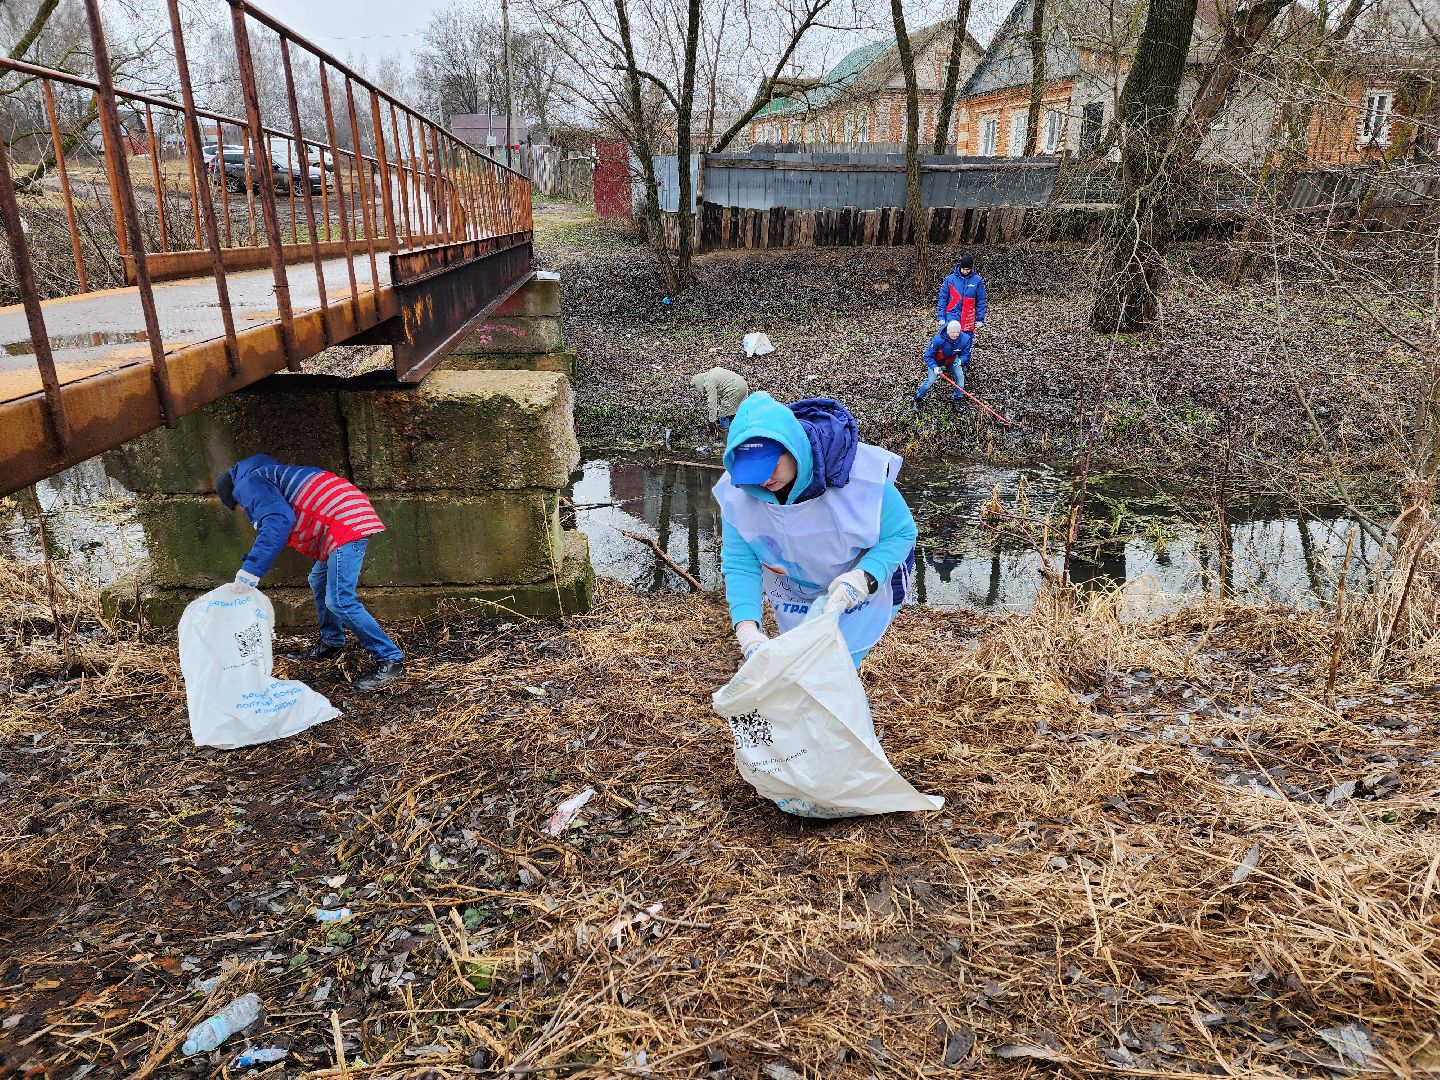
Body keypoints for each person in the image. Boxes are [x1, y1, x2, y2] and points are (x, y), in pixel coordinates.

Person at [714, 393, 917, 668]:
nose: (763, 479)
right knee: (804, 662)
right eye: (752, 471)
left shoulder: (859, 478)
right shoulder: (738, 493)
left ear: (793, 448)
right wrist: (748, 630)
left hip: (865, 578)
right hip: (799, 585)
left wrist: (864, 577)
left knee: (836, 665)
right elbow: (741, 563)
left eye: (771, 465)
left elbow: (902, 534)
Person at [215, 454, 405, 691]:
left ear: (235, 497)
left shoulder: (247, 485)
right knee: (317, 579)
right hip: (344, 515)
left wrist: (250, 572)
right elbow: (281, 520)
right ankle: (332, 642)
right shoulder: (266, 474)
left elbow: (277, 521)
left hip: (344, 522)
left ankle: (391, 659)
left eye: (240, 508)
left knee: (340, 600)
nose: (245, 510)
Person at [914, 319, 970, 415]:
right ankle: (918, 399)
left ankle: (957, 397)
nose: (955, 334)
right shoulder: (938, 339)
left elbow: (966, 354)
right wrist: (934, 367)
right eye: (953, 332)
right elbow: (927, 356)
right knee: (930, 381)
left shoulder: (965, 339)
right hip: (937, 362)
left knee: (960, 381)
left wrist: (961, 360)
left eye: (957, 332)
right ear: (948, 332)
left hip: (952, 361)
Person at [691, 366, 750, 432]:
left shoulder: (709, 382)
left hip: (734, 390)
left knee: (723, 415)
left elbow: (712, 402)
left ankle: (726, 436)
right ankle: (737, 429)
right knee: (735, 410)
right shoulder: (712, 372)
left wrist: (712, 421)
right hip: (743, 385)